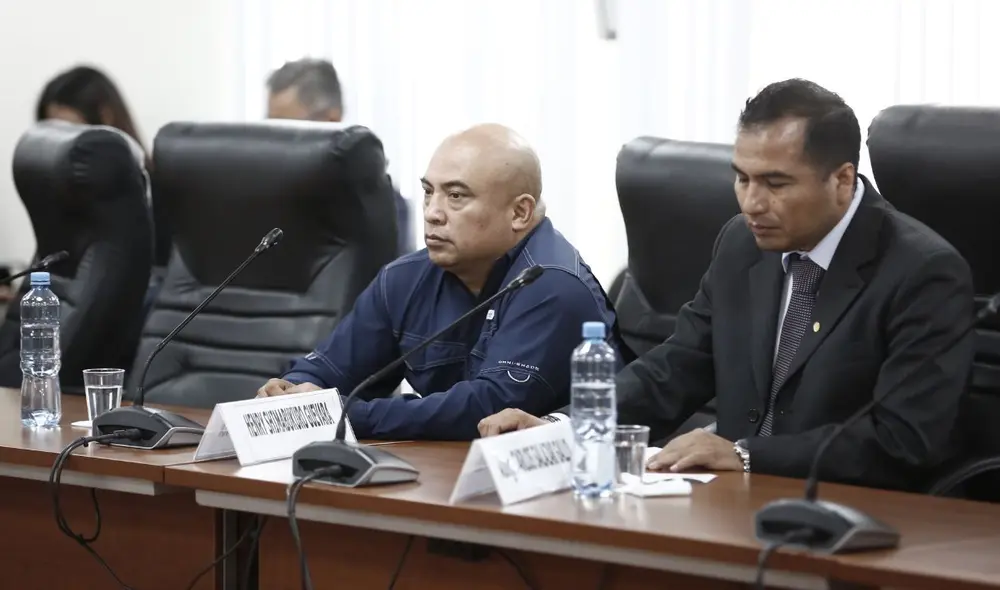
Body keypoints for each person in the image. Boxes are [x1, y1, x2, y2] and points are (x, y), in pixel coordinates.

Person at [477, 79, 975, 492]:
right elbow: (677, 367)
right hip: (731, 503)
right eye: (742, 178)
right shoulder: (742, 243)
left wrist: (745, 454)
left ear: (841, 181)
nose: (751, 203)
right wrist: (562, 428)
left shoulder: (921, 271)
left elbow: (903, 439)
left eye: (775, 184)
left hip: (851, 512)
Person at [257, 123, 629, 440]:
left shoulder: (552, 285)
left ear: (519, 212)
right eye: (428, 192)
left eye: (455, 196)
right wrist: (291, 391)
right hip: (445, 473)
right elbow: (331, 368)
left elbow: (487, 408)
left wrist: (345, 416)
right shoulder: (404, 278)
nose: (433, 213)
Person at [266, 57, 412, 257]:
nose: (275, 141)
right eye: (269, 128)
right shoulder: (267, 198)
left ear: (331, 121)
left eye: (287, 128)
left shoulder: (380, 206)